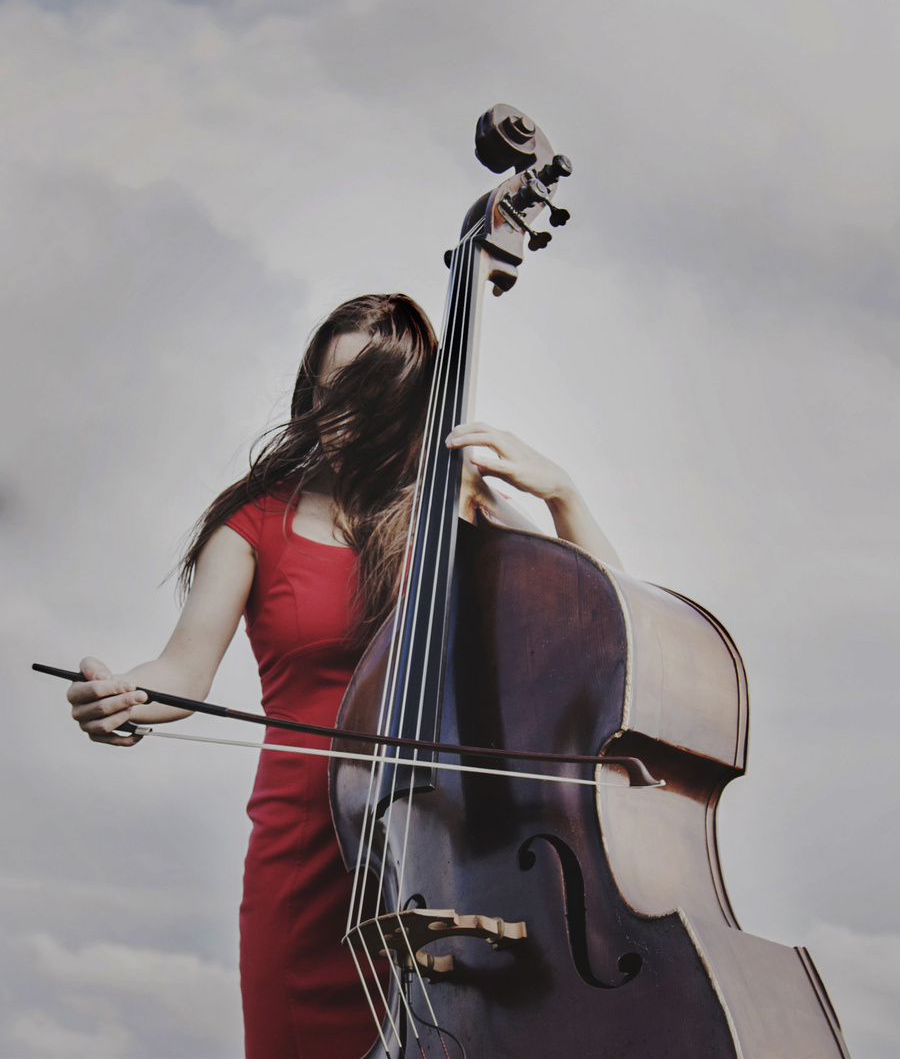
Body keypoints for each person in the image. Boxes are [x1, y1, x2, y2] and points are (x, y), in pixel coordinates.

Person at [64, 293, 621, 1059]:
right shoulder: (256, 521)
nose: (340, 419)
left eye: (366, 399)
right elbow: (181, 671)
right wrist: (123, 696)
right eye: (327, 395)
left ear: (411, 401)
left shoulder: (456, 513)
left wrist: (564, 495)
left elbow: (611, 631)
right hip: (305, 853)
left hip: (456, 862)